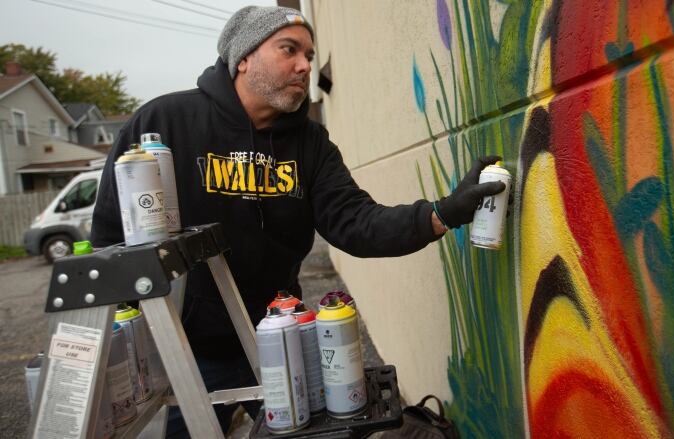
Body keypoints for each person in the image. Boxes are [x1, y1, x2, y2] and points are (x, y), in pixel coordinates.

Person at [91, 5, 506, 437]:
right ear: (244, 57)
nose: (305, 65)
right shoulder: (165, 122)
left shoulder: (310, 143)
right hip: (184, 353)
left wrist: (442, 213)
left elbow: (355, 222)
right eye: (289, 50)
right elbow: (110, 236)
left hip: (278, 339)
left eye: (309, 54)